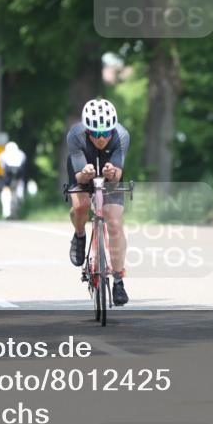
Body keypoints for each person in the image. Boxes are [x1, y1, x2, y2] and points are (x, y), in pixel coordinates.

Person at [65, 98, 131, 306]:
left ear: (113, 129)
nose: (101, 138)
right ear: (87, 131)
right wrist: (85, 173)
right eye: (95, 133)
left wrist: (111, 173)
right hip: (82, 171)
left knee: (114, 223)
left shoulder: (121, 136)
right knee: (80, 206)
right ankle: (79, 235)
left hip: (110, 176)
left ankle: (118, 281)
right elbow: (78, 177)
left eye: (105, 133)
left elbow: (117, 175)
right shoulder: (75, 135)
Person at [0, 141, 26, 219]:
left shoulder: (3, 155)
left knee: (6, 188)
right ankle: (20, 196)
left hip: (8, 171)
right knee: (19, 183)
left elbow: (2, 165)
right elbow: (24, 162)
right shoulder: (21, 154)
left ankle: (6, 211)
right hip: (19, 171)